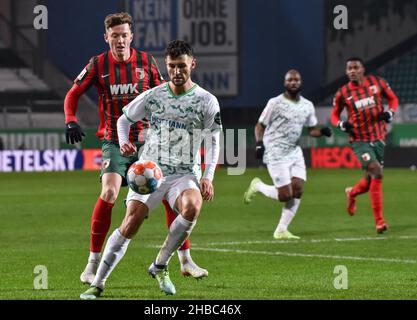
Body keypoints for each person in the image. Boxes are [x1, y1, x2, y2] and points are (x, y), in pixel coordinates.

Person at [63, 13, 207, 286]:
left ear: (132, 36)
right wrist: (71, 120)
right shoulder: (97, 64)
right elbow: (73, 94)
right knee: (108, 191)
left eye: (124, 35)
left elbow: (163, 93)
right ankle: (92, 263)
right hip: (114, 140)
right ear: (106, 37)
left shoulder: (145, 62)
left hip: (148, 141)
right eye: (114, 35)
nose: (119, 40)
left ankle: (186, 261)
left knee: (168, 193)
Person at [80, 40, 221, 299]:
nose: (176, 71)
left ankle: (160, 264)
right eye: (171, 66)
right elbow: (123, 120)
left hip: (184, 174)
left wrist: (208, 177)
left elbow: (214, 141)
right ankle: (98, 283)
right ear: (166, 66)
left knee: (192, 206)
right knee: (130, 223)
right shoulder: (155, 95)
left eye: (181, 66)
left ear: (193, 64)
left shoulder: (206, 101)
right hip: (150, 172)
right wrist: (124, 143)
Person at [243, 70, 332, 239]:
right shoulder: (275, 102)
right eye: (290, 80)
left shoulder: (307, 105)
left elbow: (311, 130)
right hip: (275, 150)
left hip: (294, 151)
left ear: (301, 83)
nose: (293, 82)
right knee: (285, 195)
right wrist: (259, 144)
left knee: (298, 190)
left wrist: (322, 132)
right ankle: (258, 186)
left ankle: (281, 230)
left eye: (296, 80)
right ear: (285, 83)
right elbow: (259, 125)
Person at [330, 57, 398, 233]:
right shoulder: (343, 93)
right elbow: (334, 116)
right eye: (349, 68)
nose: (352, 71)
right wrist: (341, 124)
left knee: (370, 182)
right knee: (376, 171)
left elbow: (393, 99)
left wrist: (390, 112)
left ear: (362, 69)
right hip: (359, 140)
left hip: (379, 137)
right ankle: (379, 221)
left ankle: (352, 193)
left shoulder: (377, 83)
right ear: (346, 72)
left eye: (355, 67)